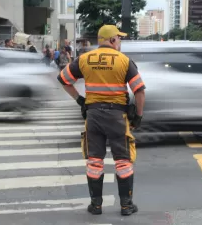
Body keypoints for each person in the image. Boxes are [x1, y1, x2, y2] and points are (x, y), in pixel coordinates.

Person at [57, 25, 146, 216]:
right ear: (112, 40)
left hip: (94, 116)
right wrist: (138, 116)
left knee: (94, 161)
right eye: (119, 39)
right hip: (117, 118)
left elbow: (63, 79)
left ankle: (96, 205)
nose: (120, 42)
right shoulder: (124, 61)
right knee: (123, 161)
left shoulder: (84, 59)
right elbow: (139, 90)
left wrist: (80, 99)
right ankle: (126, 205)